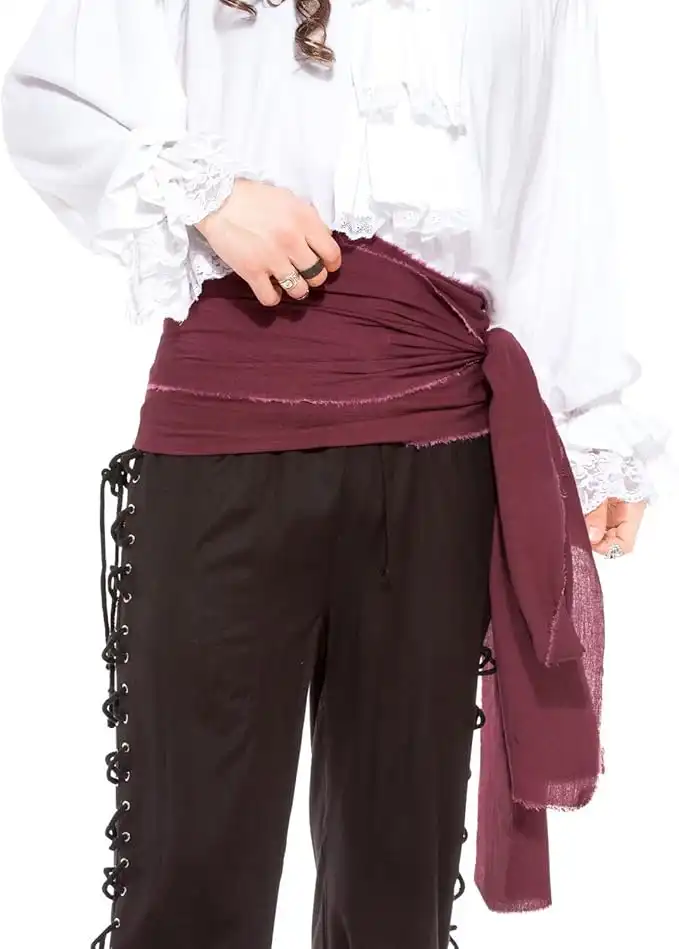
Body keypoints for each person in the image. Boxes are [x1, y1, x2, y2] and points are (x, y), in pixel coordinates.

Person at [1, 2, 668, 948]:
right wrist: (209, 197)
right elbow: (51, 97)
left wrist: (591, 417)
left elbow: (562, 186)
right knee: (190, 881)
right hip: (224, 438)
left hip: (439, 456)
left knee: (396, 889)